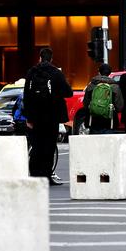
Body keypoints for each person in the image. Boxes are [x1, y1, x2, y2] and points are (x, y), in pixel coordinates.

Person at [22, 47, 73, 185]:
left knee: (36, 146)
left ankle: (34, 176)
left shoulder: (31, 72)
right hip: (52, 116)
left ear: (39, 58)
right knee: (49, 147)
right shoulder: (56, 73)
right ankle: (46, 176)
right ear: (51, 59)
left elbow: (26, 96)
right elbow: (69, 93)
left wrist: (28, 117)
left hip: (35, 117)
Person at [82, 63, 124, 134]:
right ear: (110, 73)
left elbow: (85, 104)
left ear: (99, 72)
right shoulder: (115, 87)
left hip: (94, 122)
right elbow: (120, 107)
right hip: (110, 122)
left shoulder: (91, 85)